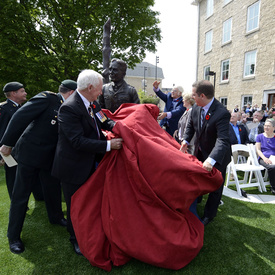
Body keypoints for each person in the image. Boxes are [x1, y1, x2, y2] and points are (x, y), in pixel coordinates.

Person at [0, 79, 77, 254]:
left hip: (49, 157)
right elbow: (20, 117)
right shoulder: (47, 98)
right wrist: (7, 143)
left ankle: (56, 217)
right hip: (29, 154)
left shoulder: (69, 107)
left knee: (53, 189)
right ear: (71, 93)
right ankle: (14, 237)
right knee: (21, 195)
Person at [52, 69, 123, 256]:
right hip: (72, 168)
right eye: (99, 89)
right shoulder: (69, 108)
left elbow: (104, 121)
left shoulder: (92, 103)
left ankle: (90, 232)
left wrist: (119, 127)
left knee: (89, 203)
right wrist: (108, 145)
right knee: (75, 205)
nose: (101, 92)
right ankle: (75, 239)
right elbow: (77, 141)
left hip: (90, 164)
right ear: (90, 87)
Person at [180, 80, 231, 226]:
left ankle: (209, 215)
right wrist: (185, 141)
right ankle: (198, 201)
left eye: (194, 95)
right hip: (201, 152)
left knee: (216, 186)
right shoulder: (196, 107)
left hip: (218, 156)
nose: (192, 97)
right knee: (198, 180)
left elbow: (223, 140)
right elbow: (191, 126)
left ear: (202, 95)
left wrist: (211, 159)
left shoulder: (221, 113)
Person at [0, 82, 27, 199]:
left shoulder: (22, 108)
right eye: (22, 91)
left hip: (23, 149)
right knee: (13, 178)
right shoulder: (4, 109)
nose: (25, 93)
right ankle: (17, 202)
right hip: (10, 151)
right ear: (13, 93)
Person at [255, 119, 275, 195]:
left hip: (274, 158)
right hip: (263, 158)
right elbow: (258, 150)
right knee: (272, 167)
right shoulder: (259, 137)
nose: (266, 127)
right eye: (265, 126)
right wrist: (265, 158)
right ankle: (273, 187)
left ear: (273, 128)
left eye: (268, 126)